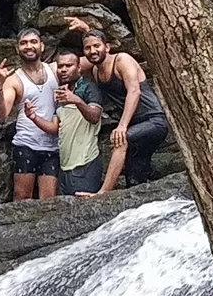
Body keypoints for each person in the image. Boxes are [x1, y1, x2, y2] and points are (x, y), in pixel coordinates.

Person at [66, 19, 169, 196]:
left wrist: (122, 126)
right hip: (136, 126)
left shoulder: (122, 60)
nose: (92, 51)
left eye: (97, 46)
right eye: (87, 48)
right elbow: (67, 64)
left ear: (108, 47)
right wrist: (86, 30)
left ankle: (103, 193)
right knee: (135, 175)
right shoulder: (96, 71)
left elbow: (134, 91)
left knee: (121, 139)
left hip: (153, 121)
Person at [24, 50, 104, 196]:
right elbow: (55, 128)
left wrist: (76, 100)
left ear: (79, 68)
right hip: (65, 165)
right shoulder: (60, 94)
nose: (64, 70)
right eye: (60, 66)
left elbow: (94, 116)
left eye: (69, 66)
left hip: (85, 162)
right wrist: (33, 117)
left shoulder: (89, 88)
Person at [0, 28, 59, 200]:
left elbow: (87, 62)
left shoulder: (56, 70)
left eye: (33, 42)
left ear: (42, 46)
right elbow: (1, 115)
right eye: (23, 43)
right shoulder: (14, 80)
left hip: (53, 146)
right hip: (26, 145)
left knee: (49, 200)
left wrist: (86, 29)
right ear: (17, 48)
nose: (29, 46)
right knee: (22, 196)